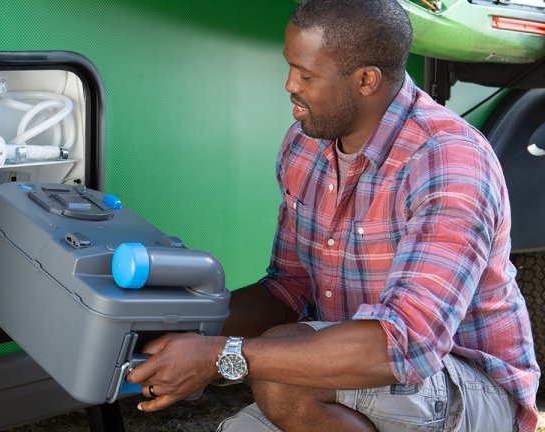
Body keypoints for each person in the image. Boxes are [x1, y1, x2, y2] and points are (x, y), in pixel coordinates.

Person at [125, 0, 541, 430]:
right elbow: (290, 289)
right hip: (345, 377)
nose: (290, 85)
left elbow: (406, 346)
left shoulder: (448, 162)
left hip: (470, 385)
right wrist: (181, 332)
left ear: (365, 81)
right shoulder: (304, 147)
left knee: (286, 378)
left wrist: (222, 356)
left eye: (306, 75)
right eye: (290, 68)